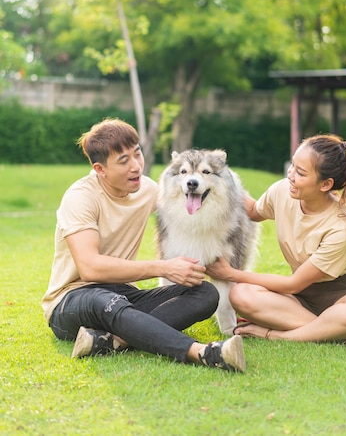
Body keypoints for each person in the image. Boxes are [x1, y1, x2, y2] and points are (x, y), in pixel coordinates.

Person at [42, 118, 245, 372]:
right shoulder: (80, 198)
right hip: (72, 300)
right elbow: (90, 269)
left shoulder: (148, 190)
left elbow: (220, 198)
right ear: (100, 169)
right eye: (123, 161)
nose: (136, 166)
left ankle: (112, 342)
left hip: (123, 294)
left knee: (205, 293)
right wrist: (163, 267)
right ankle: (203, 352)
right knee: (102, 299)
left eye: (137, 154)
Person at [206, 134, 346, 345]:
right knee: (240, 294)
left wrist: (230, 273)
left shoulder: (341, 228)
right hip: (297, 302)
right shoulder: (283, 191)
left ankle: (282, 334)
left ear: (325, 184)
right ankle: (335, 331)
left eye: (300, 172)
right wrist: (222, 181)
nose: (290, 174)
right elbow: (253, 210)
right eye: (292, 166)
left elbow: (293, 284)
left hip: (339, 297)